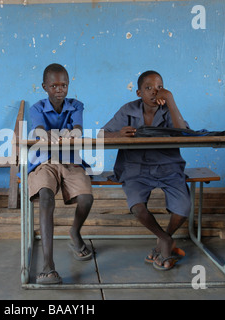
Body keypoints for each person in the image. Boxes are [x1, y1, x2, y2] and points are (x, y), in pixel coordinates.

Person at [99, 70, 190, 271]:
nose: (154, 92)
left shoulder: (168, 110)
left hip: (168, 167)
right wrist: (118, 135)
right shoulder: (128, 110)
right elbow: (101, 135)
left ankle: (162, 241)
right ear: (139, 93)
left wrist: (172, 101)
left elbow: (183, 133)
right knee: (137, 207)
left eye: (159, 87)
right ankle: (166, 240)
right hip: (135, 169)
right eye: (148, 88)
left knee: (183, 208)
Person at [28, 63, 94, 284]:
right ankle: (48, 264)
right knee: (46, 197)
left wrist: (72, 132)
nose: (59, 89)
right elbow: (37, 130)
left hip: (70, 161)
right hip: (44, 162)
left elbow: (78, 128)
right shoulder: (37, 108)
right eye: (54, 85)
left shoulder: (76, 105)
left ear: (68, 85)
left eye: (63, 85)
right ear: (45, 86)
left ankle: (74, 232)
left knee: (86, 198)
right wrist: (47, 135)